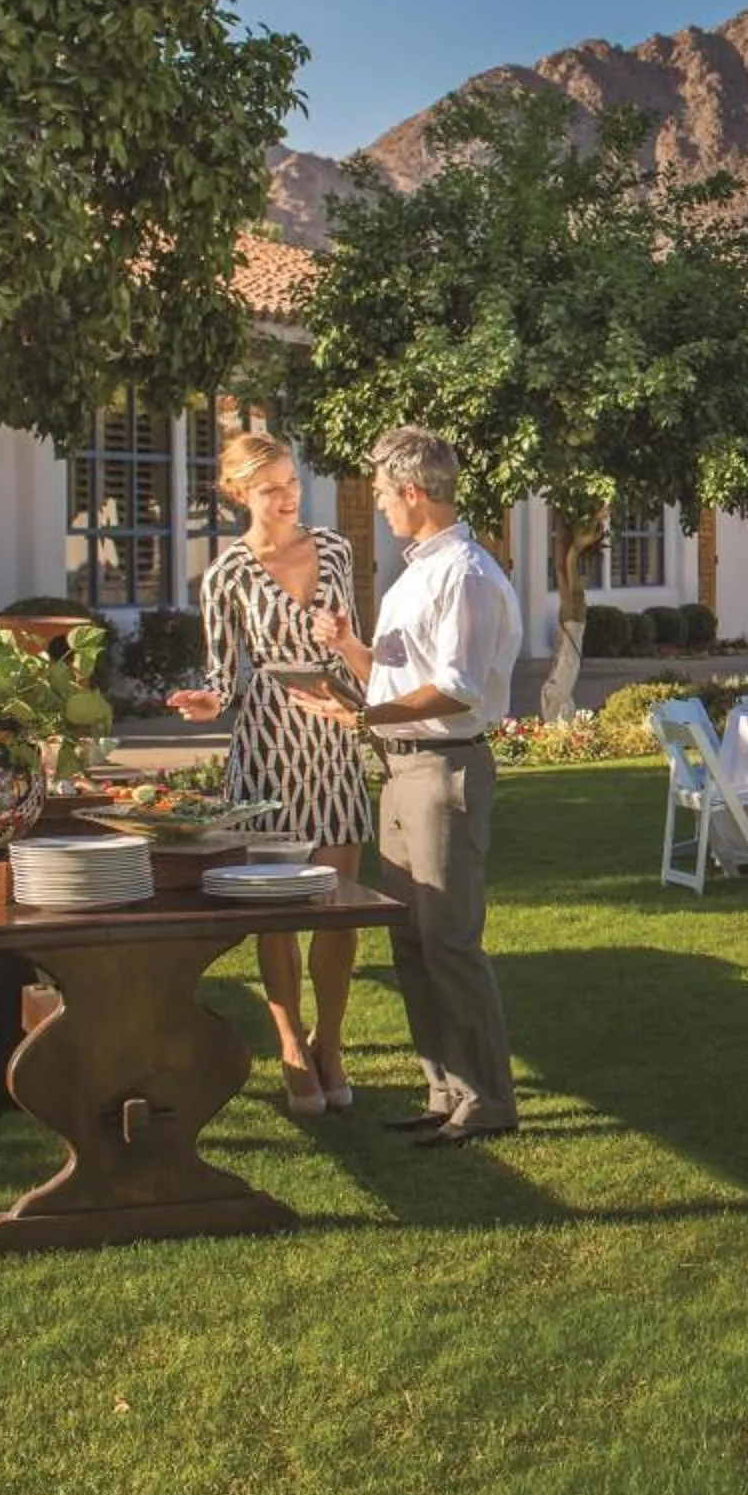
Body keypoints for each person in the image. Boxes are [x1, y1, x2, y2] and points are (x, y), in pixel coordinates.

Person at [288, 425, 523, 1147]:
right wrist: (349, 654)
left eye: (386, 494)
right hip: (399, 768)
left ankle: (487, 1100)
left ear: (415, 493)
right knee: (412, 939)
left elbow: (455, 690)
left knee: (449, 938)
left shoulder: (468, 575)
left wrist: (364, 711)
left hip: (443, 769)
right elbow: (399, 677)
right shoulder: (417, 572)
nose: (382, 505)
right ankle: (443, 1090)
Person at [168, 432, 374, 1116]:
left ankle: (331, 1040)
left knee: (339, 905)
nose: (287, 498)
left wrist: (344, 647)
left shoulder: (337, 549)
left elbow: (351, 637)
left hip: (335, 738)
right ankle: (289, 1042)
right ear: (238, 494)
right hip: (267, 748)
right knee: (279, 909)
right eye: (270, 489)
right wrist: (207, 702)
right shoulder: (226, 575)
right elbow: (225, 677)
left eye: (291, 483)